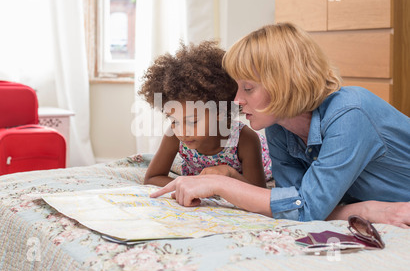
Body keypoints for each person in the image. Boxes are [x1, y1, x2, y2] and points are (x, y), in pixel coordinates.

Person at [151, 23, 410, 228]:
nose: (237, 101)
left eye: (248, 88)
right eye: (237, 88)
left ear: (285, 83)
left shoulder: (351, 113)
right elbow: (292, 202)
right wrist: (363, 210)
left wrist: (222, 184)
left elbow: (304, 209)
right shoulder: (278, 128)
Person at [138, 40, 272, 189]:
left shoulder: (245, 139)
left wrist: (224, 179)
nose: (182, 132)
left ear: (219, 112)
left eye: (192, 122)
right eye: (174, 121)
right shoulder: (173, 135)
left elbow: (258, 191)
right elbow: (152, 178)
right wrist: (193, 184)